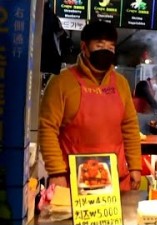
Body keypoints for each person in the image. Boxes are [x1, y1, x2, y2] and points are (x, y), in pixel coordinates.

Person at [39, 21, 142, 191]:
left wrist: (135, 166)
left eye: (110, 47)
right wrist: (57, 173)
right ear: (84, 47)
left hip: (117, 179)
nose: (106, 51)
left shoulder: (121, 83)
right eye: (99, 45)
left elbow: (130, 127)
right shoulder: (61, 82)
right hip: (74, 181)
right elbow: (47, 129)